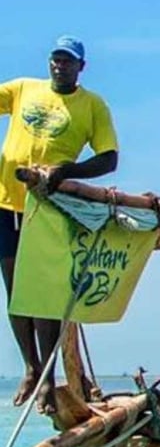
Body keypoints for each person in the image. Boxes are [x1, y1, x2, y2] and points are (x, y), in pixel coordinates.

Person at [0, 36, 119, 413]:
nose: (60, 66)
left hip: (50, 206)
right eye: (55, 59)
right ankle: (31, 367)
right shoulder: (23, 89)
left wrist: (68, 171)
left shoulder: (91, 105)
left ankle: (50, 378)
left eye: (68, 61)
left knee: (44, 294)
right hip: (5, 202)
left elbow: (108, 159)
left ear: (80, 67)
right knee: (16, 290)